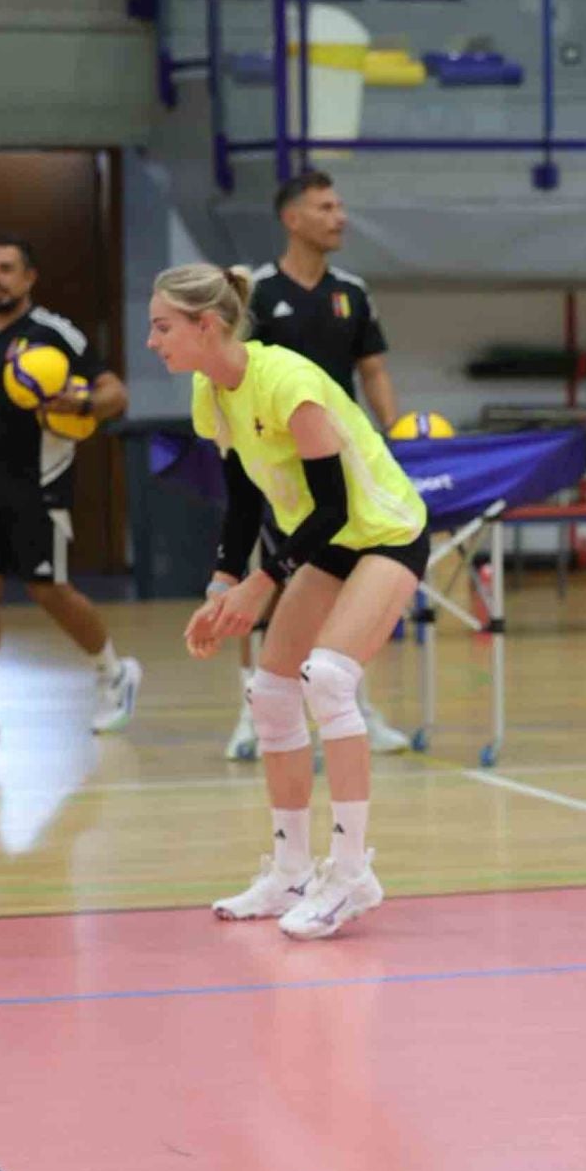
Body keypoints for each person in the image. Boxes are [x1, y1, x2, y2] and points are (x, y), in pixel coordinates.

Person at [149, 262, 427, 940]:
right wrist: (221, 588)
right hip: (327, 542)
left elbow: (332, 506)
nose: (153, 340)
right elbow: (243, 497)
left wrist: (262, 581)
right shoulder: (211, 391)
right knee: (271, 691)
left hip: (385, 533)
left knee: (328, 678)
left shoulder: (290, 385)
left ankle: (353, 870)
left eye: (162, 327)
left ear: (206, 325)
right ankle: (290, 871)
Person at [226, 170, 409, 760]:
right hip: (276, 466)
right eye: (326, 207)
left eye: (340, 206)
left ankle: (356, 703)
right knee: (267, 582)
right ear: (292, 218)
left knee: (354, 588)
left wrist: (396, 434)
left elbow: (374, 370)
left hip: (341, 469)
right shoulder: (253, 290)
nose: (339, 217)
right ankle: (252, 712)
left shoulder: (351, 291)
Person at [0, 236, 138, 746]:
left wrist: (82, 402)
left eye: (6, 268)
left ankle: (114, 674)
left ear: (29, 277)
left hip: (38, 483)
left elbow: (116, 392)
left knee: (49, 591)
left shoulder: (54, 333)